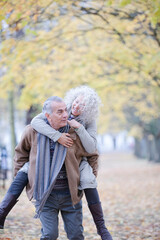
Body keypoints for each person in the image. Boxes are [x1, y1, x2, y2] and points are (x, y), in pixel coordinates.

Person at [0, 86, 112, 240]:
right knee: (49, 235)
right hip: (46, 194)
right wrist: (29, 178)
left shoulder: (81, 129)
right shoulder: (36, 128)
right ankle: (2, 211)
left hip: (71, 192)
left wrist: (88, 176)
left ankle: (102, 228)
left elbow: (92, 151)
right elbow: (21, 151)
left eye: (83, 105)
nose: (72, 110)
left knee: (76, 236)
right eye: (76, 102)